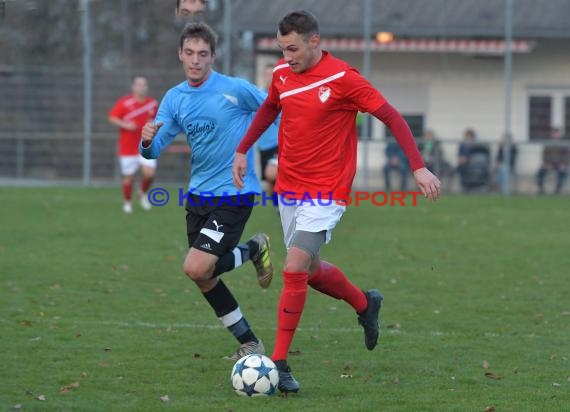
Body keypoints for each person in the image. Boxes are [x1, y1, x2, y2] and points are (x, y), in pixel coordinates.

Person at [232, 10, 440, 393]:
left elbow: (391, 116)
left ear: (315, 41)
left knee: (294, 267)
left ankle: (278, 364)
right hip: (289, 189)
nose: (287, 56)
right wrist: (243, 149)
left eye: (292, 48)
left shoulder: (344, 79)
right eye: (282, 49)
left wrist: (418, 167)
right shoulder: (281, 75)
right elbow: (269, 109)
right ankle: (365, 304)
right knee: (308, 272)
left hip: (327, 191)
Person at [140, 22, 278, 360]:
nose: (196, 60)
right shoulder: (175, 98)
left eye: (203, 54)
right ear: (180, 54)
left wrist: (274, 155)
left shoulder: (235, 89)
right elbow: (155, 149)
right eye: (190, 53)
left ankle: (250, 250)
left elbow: (276, 111)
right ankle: (249, 342)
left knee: (196, 267)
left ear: (213, 56)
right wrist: (145, 140)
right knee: (204, 277)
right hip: (198, 197)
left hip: (235, 193)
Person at [108, 76, 158, 214]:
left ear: (147, 87)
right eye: (138, 84)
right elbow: (112, 117)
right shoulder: (125, 102)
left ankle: (142, 193)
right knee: (129, 177)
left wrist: (153, 126)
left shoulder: (152, 104)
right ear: (133, 87)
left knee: (149, 173)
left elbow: (158, 121)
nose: (141, 87)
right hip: (128, 146)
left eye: (144, 85)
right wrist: (125, 124)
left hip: (146, 145)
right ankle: (127, 203)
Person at [256, 63, 279, 202]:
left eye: (273, 75)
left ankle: (286, 203)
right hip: (263, 145)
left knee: (271, 173)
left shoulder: (283, 95)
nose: (270, 78)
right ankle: (279, 207)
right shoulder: (258, 95)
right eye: (267, 74)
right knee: (270, 181)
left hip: (279, 143)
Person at [537, 127, 569, 195]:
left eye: (556, 133)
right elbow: (545, 154)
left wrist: (563, 164)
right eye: (554, 133)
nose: (555, 135)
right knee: (540, 172)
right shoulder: (548, 143)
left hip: (560, 164)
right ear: (551, 134)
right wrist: (546, 163)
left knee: (562, 173)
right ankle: (541, 189)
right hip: (550, 163)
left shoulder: (563, 143)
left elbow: (566, 155)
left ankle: (557, 190)